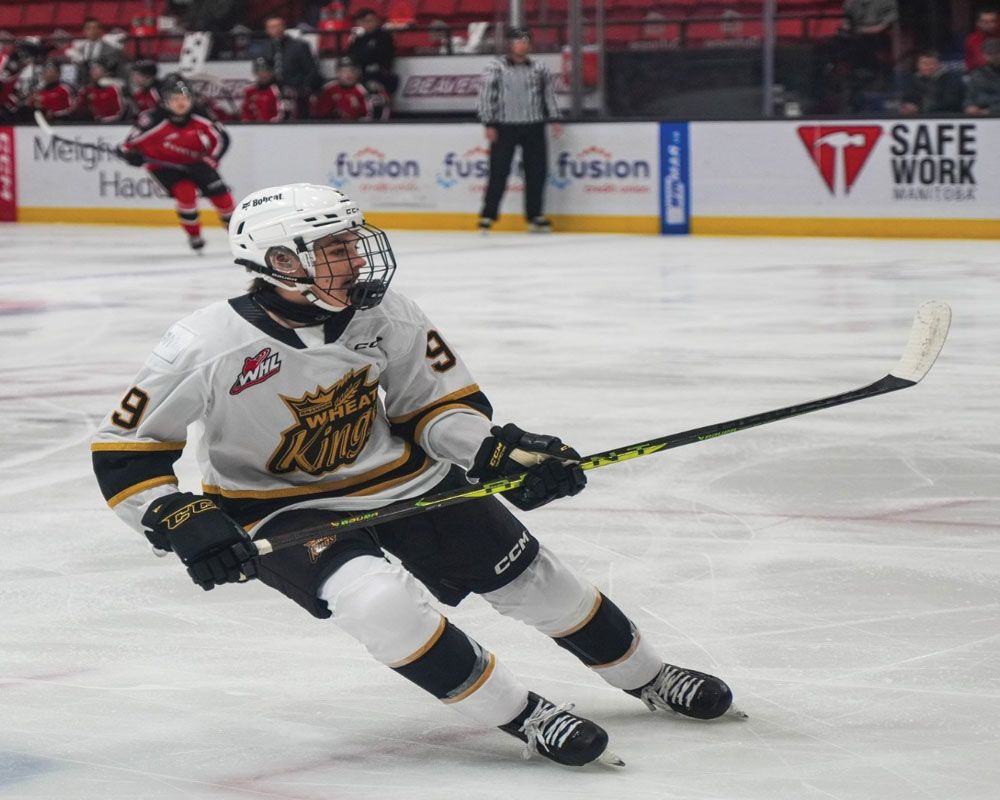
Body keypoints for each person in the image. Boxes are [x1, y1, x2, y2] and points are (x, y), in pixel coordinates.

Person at [91, 183, 739, 769]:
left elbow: (431, 409)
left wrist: (496, 454)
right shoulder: (206, 344)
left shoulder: (387, 314)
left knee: (538, 583)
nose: (355, 259)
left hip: (403, 481)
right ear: (281, 262)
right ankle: (523, 715)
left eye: (351, 241)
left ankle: (650, 676)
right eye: (334, 248)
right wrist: (178, 517)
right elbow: (126, 450)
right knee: (376, 602)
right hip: (280, 506)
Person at [117, 74, 235, 252]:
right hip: (164, 166)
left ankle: (238, 237)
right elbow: (126, 146)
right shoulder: (152, 119)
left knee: (223, 198)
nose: (181, 103)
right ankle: (194, 235)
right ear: (165, 101)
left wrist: (211, 159)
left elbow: (222, 138)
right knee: (185, 193)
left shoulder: (200, 113)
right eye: (175, 99)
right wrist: (131, 157)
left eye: (185, 98)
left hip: (196, 162)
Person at [477, 27, 560, 233]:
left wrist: (555, 118)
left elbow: (548, 95)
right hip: (505, 126)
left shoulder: (540, 68)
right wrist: (489, 123)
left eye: (525, 42)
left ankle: (535, 215)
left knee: (536, 172)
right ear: (510, 44)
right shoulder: (495, 67)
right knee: (498, 171)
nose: (522, 45)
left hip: (534, 124)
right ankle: (488, 215)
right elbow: (486, 96)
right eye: (517, 41)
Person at [261, 15, 320, 119]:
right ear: (267, 30)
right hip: (276, 94)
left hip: (297, 93)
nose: (275, 30)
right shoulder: (267, 48)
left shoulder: (299, 46)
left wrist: (304, 89)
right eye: (271, 27)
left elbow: (311, 70)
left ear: (284, 27)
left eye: (278, 26)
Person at [312, 57, 385, 121]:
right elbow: (320, 115)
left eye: (352, 70)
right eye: (344, 71)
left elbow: (371, 118)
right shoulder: (328, 89)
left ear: (358, 73)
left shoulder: (364, 90)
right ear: (337, 73)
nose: (348, 74)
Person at [346, 8, 398, 97]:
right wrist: (354, 40)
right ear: (359, 23)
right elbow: (352, 57)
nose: (369, 24)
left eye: (371, 20)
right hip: (360, 75)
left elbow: (380, 56)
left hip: (380, 74)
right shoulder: (357, 38)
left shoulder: (384, 36)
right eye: (364, 21)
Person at [899, 51, 965, 115]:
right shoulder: (913, 80)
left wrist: (921, 108)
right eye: (924, 63)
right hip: (919, 120)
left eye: (931, 63)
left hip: (945, 118)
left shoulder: (950, 80)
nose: (928, 67)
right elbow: (907, 99)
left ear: (938, 65)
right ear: (918, 65)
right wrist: (908, 106)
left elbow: (951, 102)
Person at [72, 18, 123, 86]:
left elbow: (111, 68)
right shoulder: (79, 50)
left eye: (94, 28)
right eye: (88, 28)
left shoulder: (112, 50)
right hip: (83, 83)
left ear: (100, 30)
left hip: (104, 83)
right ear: (84, 31)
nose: (92, 31)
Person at [74, 57, 126, 122]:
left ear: (105, 72)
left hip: (109, 125)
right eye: (92, 69)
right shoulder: (85, 90)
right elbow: (77, 111)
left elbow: (118, 113)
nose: (92, 71)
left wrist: (102, 121)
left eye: (96, 69)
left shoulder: (113, 89)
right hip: (88, 125)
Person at [240, 57, 289, 122]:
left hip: (274, 129)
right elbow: (245, 114)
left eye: (265, 71)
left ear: (271, 72)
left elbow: (283, 115)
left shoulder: (278, 90)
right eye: (258, 71)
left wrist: (266, 127)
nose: (262, 74)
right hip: (253, 129)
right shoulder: (249, 92)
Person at [966, 38, 1000, 115]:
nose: (993, 56)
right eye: (989, 53)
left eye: (996, 53)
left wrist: (991, 110)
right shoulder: (977, 73)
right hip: (980, 114)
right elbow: (969, 97)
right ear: (984, 55)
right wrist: (969, 106)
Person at [965, 9, 999, 73]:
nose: (990, 25)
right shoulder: (972, 39)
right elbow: (982, 60)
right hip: (978, 74)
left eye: (993, 21)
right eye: (986, 22)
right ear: (978, 23)